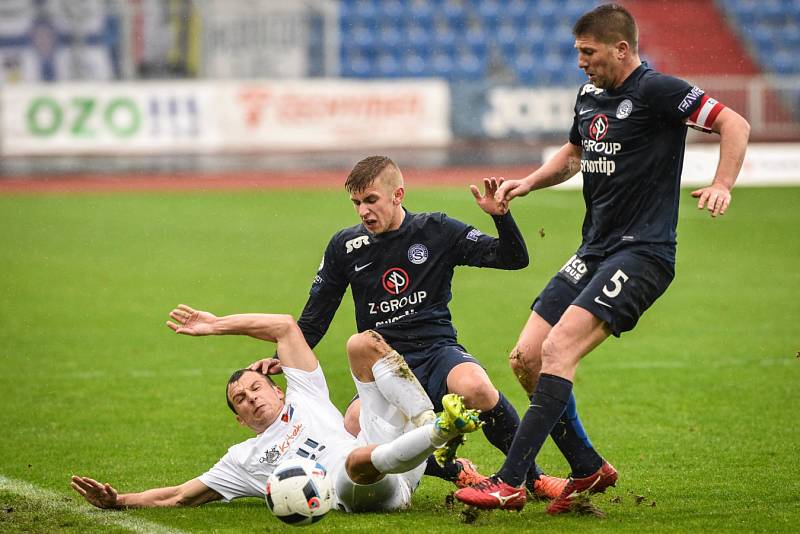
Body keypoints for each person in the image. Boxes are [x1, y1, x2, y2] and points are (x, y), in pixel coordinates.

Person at [455, 3, 750, 514]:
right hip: (594, 250)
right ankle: (588, 466)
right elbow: (573, 155)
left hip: (643, 252)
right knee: (526, 358)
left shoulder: (659, 91)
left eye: (588, 52)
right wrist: (528, 183)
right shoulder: (590, 96)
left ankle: (509, 481)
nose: (580, 62)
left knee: (559, 349)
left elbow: (734, 123)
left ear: (621, 48)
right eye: (577, 53)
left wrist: (722, 183)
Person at [284, 155, 566, 497]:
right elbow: (316, 315)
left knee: (477, 388)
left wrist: (501, 218)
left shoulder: (436, 229)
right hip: (384, 363)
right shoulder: (345, 246)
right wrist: (280, 356)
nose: (362, 211)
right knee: (354, 424)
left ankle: (531, 478)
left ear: (398, 194)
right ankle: (454, 470)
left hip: (436, 352)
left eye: (371, 200)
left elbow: (512, 258)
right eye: (356, 203)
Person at [70, 304, 482, 513]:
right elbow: (178, 496)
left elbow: (284, 325)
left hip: (390, 448)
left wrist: (216, 326)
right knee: (356, 463)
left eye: (255, 388)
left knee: (362, 344)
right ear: (240, 419)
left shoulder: (304, 394)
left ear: (279, 390)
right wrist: (120, 500)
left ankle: (432, 424)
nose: (251, 398)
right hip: (367, 486)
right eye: (241, 401)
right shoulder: (242, 459)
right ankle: (442, 431)